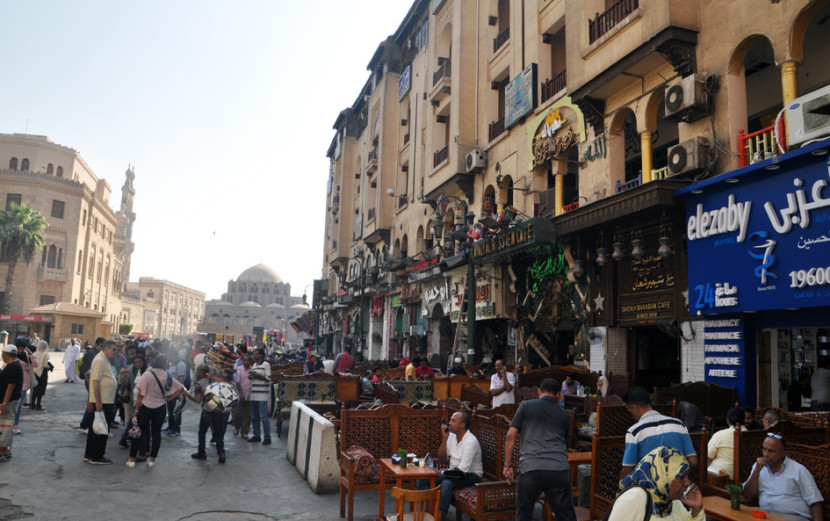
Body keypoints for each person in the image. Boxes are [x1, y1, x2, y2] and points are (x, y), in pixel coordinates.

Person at [504, 378, 576, 521]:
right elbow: (565, 445)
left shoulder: (526, 406)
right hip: (558, 469)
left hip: (531, 468)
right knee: (566, 516)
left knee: (524, 516)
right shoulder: (563, 414)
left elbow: (511, 434)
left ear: (539, 392)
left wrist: (508, 465)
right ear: (557, 394)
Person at [607, 446, 704, 521]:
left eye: (688, 476)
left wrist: (697, 508)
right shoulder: (634, 499)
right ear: (664, 477)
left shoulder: (673, 503)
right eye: (682, 477)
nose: (688, 483)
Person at [417, 411, 483, 521]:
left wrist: (441, 473)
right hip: (453, 471)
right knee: (423, 478)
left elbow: (462, 472)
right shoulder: (452, 436)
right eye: (450, 420)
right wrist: (444, 439)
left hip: (471, 475)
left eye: (453, 420)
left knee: (447, 483)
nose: (449, 423)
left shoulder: (471, 441)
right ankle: (427, 515)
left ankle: (439, 518)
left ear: (462, 425)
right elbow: (442, 457)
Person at [620, 387, 698, 479]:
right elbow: (693, 461)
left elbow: (628, 469)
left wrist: (621, 489)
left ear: (634, 407)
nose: (630, 414)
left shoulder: (634, 431)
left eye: (628, 410)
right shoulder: (679, 424)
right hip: (678, 487)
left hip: (649, 489)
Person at [743, 432, 824, 521]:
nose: (766, 454)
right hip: (766, 513)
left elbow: (815, 501)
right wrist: (756, 471)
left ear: (783, 453)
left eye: (771, 451)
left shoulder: (799, 470)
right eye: (764, 449)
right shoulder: (758, 467)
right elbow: (749, 494)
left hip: (793, 517)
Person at [126, 354, 185, 468]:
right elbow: (181, 388)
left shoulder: (147, 374)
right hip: (161, 408)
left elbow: (140, 394)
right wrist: (169, 398)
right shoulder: (167, 375)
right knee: (156, 433)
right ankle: (152, 460)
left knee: (138, 433)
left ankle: (132, 459)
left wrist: (136, 410)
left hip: (146, 407)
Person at [84, 340, 119, 465]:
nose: (115, 352)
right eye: (114, 349)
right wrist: (97, 401)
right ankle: (97, 455)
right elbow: (95, 381)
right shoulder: (100, 360)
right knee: (102, 429)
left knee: (96, 428)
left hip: (105, 399)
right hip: (102, 401)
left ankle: (90, 454)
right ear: (107, 348)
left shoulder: (104, 359)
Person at [189, 364, 230, 463]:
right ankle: (221, 453)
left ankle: (201, 452)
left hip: (207, 411)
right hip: (219, 411)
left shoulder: (200, 384)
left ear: (201, 373)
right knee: (219, 434)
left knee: (202, 432)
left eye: (197, 371)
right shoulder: (216, 381)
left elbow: (198, 400)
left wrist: (187, 395)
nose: (196, 373)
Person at [707, 406, 746, 480]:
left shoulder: (720, 435)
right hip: (746, 477)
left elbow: (707, 457)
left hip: (721, 478)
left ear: (728, 420)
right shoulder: (752, 435)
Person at [0, 344, 23, 462]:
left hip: (9, 402)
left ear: (5, 354)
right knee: (5, 426)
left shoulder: (13, 367)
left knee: (5, 427)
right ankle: (5, 450)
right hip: (9, 401)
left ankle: (3, 452)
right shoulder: (13, 365)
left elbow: (10, 386)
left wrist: (4, 403)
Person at [118, 354, 146, 448]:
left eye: (139, 362)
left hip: (139, 397)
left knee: (132, 418)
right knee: (136, 419)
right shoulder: (132, 370)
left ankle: (124, 437)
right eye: (136, 362)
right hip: (138, 398)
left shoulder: (144, 370)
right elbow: (129, 384)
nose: (137, 364)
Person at [248, 348, 271, 445]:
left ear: (261, 355)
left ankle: (267, 437)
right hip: (254, 394)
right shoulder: (254, 365)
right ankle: (257, 435)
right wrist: (252, 376)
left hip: (262, 395)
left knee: (264, 417)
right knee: (254, 417)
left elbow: (268, 379)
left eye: (256, 354)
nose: (254, 355)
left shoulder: (266, 365)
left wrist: (256, 374)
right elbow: (255, 378)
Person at [165, 349, 187, 437]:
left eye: (168, 356)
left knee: (176, 411)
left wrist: (178, 391)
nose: (168, 358)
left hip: (177, 392)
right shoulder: (172, 365)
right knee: (170, 410)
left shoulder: (180, 365)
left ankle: (176, 429)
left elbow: (182, 379)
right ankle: (170, 426)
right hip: (171, 391)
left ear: (173, 356)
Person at [233, 353, 252, 439]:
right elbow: (237, 382)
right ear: (242, 361)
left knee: (248, 415)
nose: (246, 362)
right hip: (241, 395)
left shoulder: (252, 370)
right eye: (245, 360)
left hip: (249, 395)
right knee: (238, 413)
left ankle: (244, 431)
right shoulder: (239, 369)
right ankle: (237, 426)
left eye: (248, 360)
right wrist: (241, 393)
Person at [30, 340, 51, 410]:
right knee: (41, 389)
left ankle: (32, 404)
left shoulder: (35, 353)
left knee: (35, 389)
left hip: (35, 372)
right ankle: (38, 404)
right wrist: (49, 367)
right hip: (42, 373)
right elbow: (45, 365)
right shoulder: (46, 354)